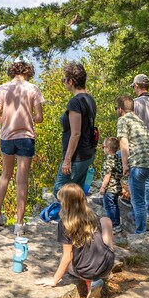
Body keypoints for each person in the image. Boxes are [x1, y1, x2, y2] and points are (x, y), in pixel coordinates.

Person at [0, 55, 44, 235]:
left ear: (13, 69)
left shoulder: (2, 89)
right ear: (27, 69)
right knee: (22, 180)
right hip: (26, 136)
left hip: (7, 136)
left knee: (5, 174)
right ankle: (19, 224)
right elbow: (39, 117)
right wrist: (29, 117)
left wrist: (7, 120)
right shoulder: (33, 89)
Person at [35, 183, 115, 296]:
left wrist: (54, 280)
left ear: (66, 204)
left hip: (86, 270)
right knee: (106, 220)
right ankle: (106, 256)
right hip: (107, 264)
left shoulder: (65, 224)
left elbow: (68, 256)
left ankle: (90, 282)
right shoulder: (92, 215)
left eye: (61, 202)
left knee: (65, 262)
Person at [52, 62, 97, 197]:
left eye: (64, 79)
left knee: (59, 191)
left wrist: (67, 160)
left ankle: (69, 217)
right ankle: (77, 217)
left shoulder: (75, 102)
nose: (64, 82)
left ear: (71, 81)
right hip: (87, 153)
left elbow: (75, 133)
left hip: (76, 156)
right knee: (77, 191)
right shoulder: (90, 99)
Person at [116, 96, 149, 234]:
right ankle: (147, 216)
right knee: (147, 188)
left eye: (117, 108)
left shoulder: (123, 120)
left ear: (121, 109)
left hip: (139, 163)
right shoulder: (139, 120)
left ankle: (141, 232)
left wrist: (124, 164)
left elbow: (123, 142)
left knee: (137, 200)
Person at [99, 137, 123, 234]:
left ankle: (113, 225)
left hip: (110, 188)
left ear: (108, 148)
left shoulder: (109, 159)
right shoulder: (118, 157)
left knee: (109, 206)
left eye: (103, 147)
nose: (103, 149)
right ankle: (117, 223)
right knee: (115, 205)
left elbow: (107, 174)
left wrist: (103, 187)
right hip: (117, 187)